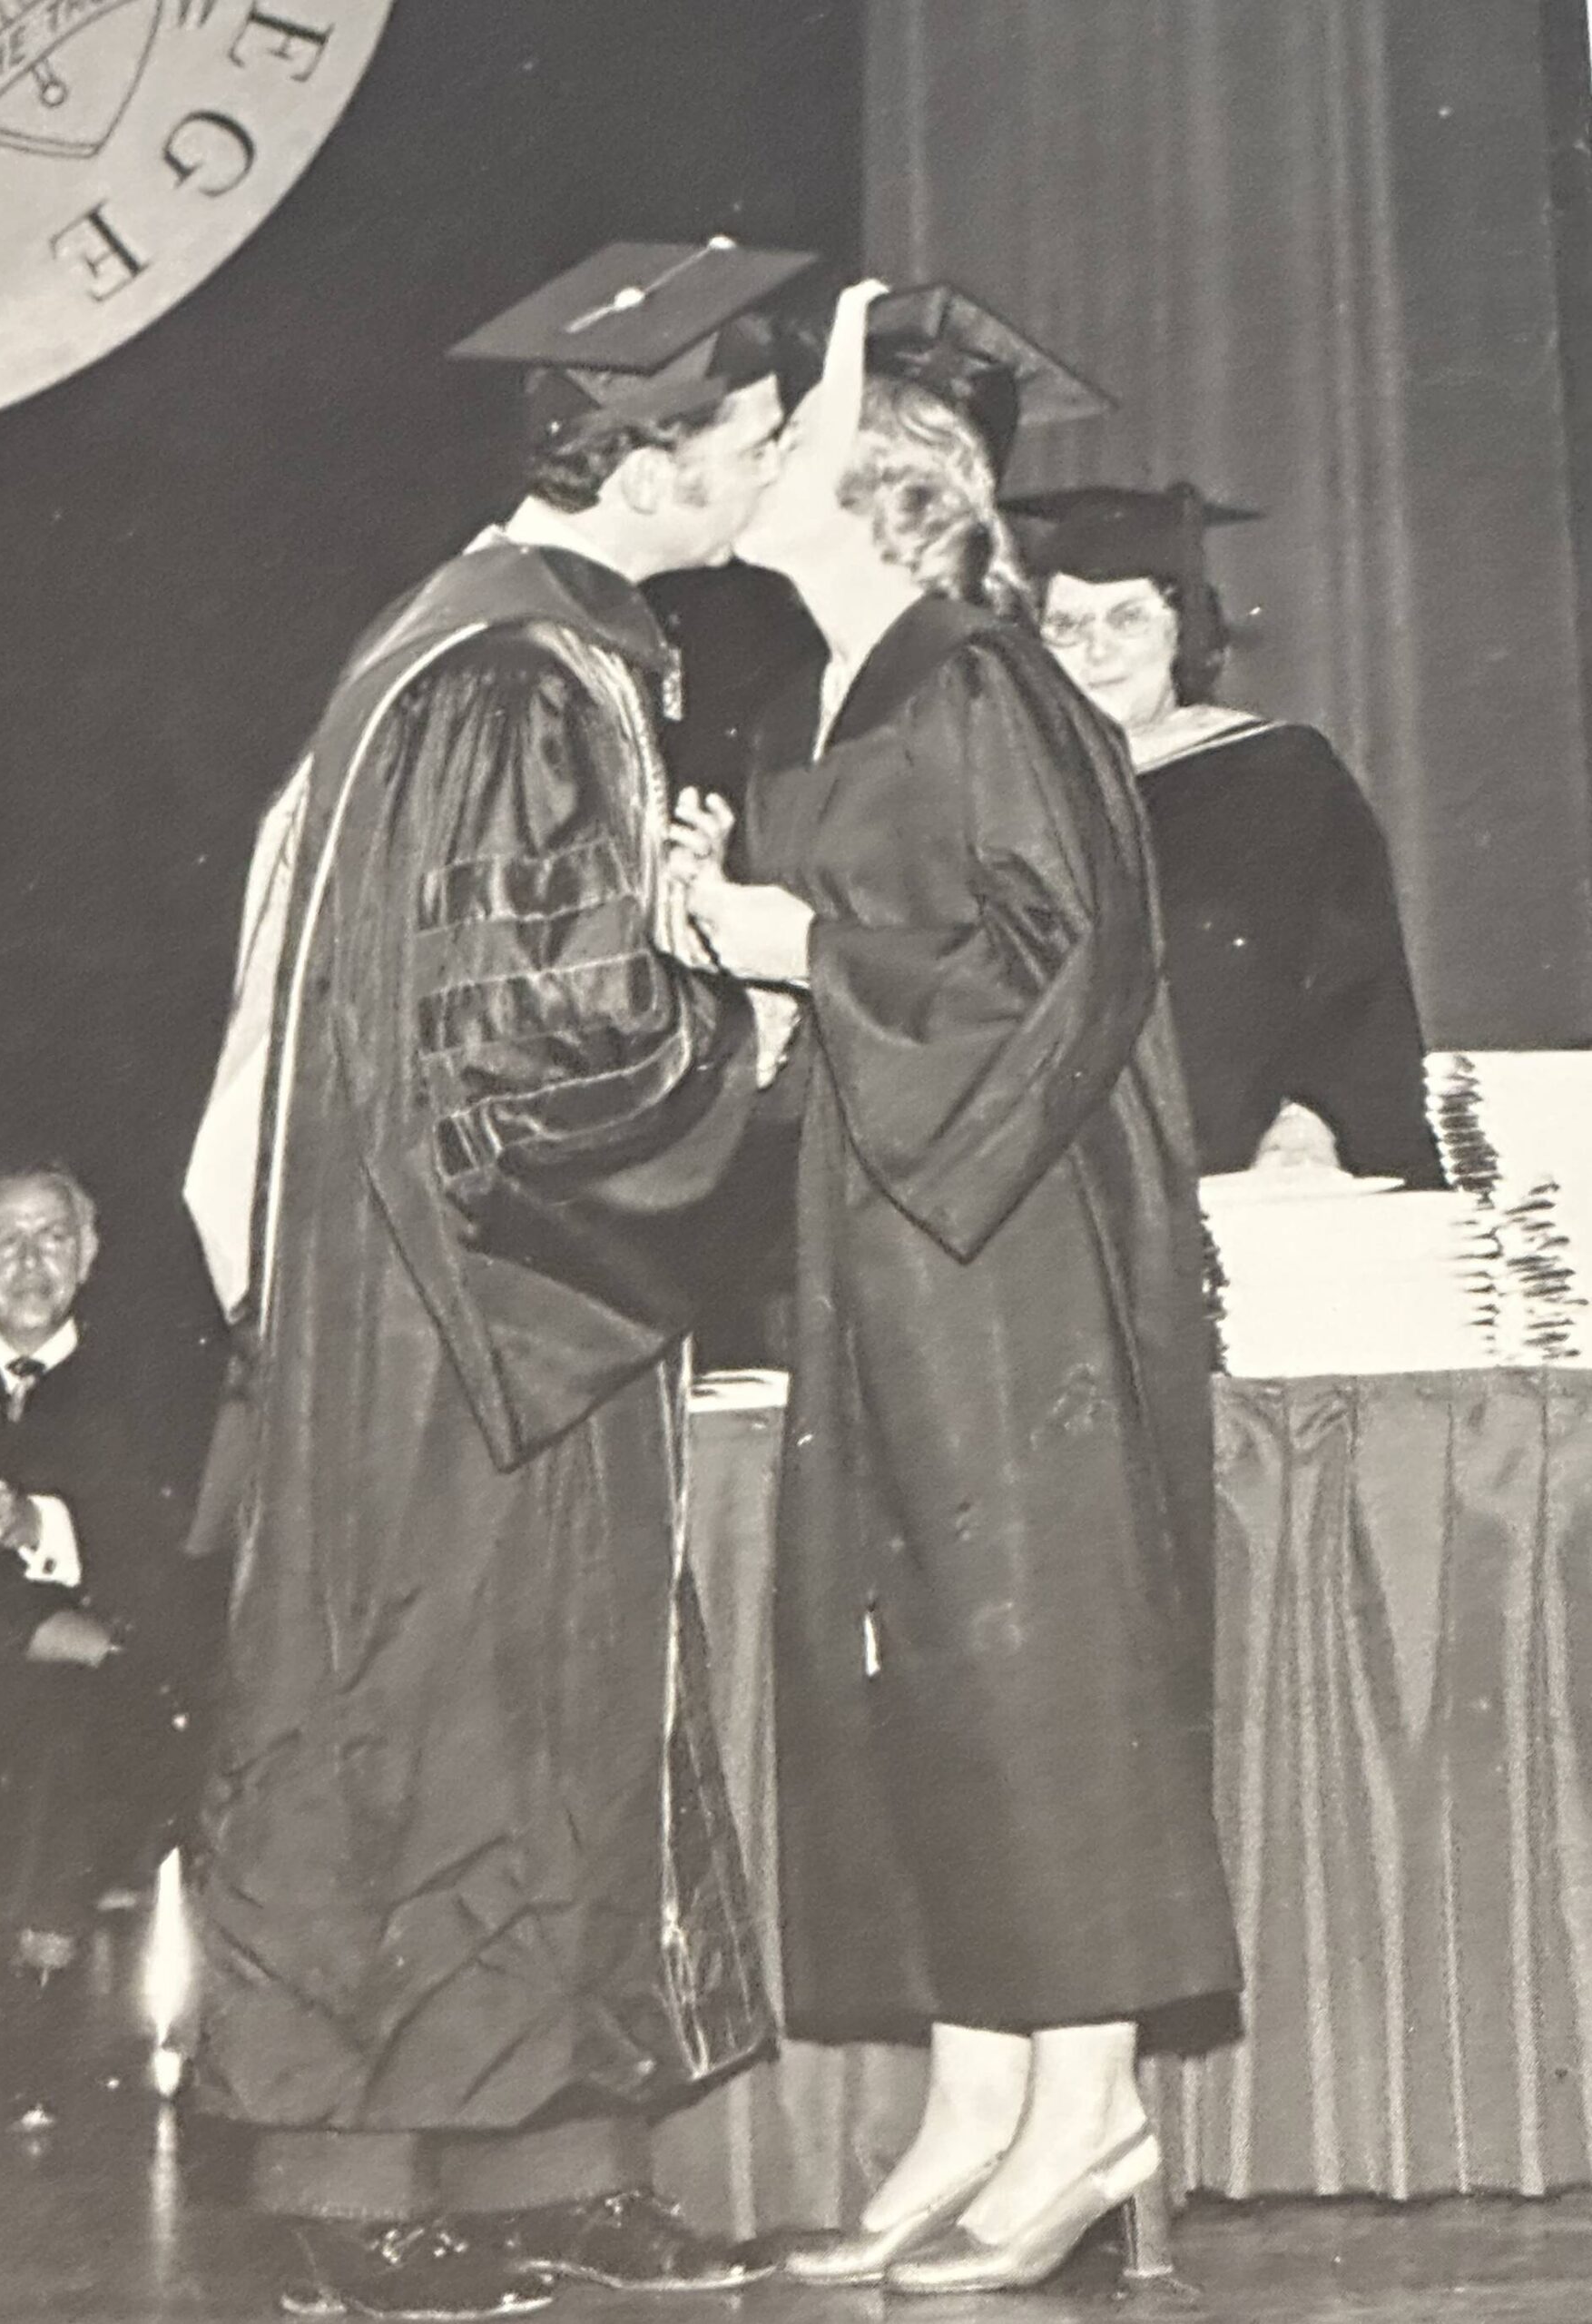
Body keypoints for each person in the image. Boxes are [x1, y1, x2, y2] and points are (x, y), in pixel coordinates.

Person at [182, 241, 813, 2323]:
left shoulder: (530, 648)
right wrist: (755, 1029)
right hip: (454, 1311)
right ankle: (363, 2184)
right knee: (431, 1722)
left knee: (541, 1721)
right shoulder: (498, 680)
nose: (762, 468)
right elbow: (527, 1045)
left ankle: (546, 2146)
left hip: (488, 1297)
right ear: (643, 453)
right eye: (745, 434)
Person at [665, 287, 1240, 2295]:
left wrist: (798, 939)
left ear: (888, 498)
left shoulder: (988, 680)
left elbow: (1067, 966)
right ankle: (978, 2097)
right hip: (888, 1224)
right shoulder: (829, 696)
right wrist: (735, 947)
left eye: (791, 437)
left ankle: (1093, 2104)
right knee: (917, 1659)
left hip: (1015, 1245)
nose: (743, 458)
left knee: (1038, 1657)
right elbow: (864, 962)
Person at [0, 1165, 212, 2131]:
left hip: (97, 1726)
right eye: (5, 1241)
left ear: (87, 1258)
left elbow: (174, 1554)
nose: (28, 1260)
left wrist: (33, 1525)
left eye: (52, 1237)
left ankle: (34, 1997)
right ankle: (40, 1638)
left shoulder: (156, 1383)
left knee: (66, 1707)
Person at [1012, 482, 1442, 1185]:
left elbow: (1357, 984)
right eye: (1066, 625)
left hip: (1250, 1173)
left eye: (1127, 619)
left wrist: (1312, 1122)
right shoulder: (1013, 791)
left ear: (1184, 632)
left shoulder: (1280, 777)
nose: (1095, 651)